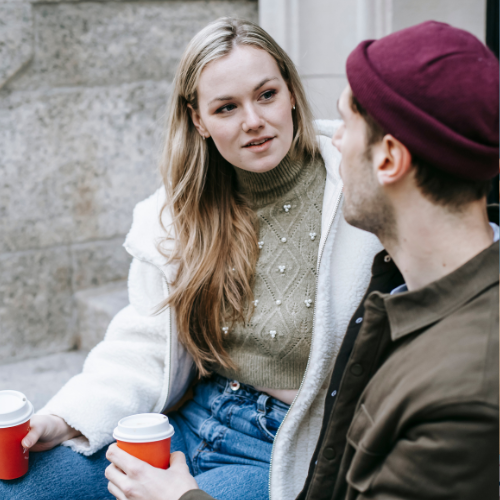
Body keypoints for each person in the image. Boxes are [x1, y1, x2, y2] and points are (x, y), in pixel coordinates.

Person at [0, 18, 382, 500]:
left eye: (266, 94)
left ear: (289, 90)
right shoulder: (177, 213)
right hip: (184, 423)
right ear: (198, 119)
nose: (253, 120)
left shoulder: (358, 190)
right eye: (226, 107)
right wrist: (64, 418)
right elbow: (144, 343)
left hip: (283, 446)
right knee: (21, 488)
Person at [157, 20, 500, 500]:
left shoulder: (460, 381)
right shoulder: (401, 292)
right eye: (227, 107)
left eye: (347, 124)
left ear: (388, 161)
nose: (331, 140)